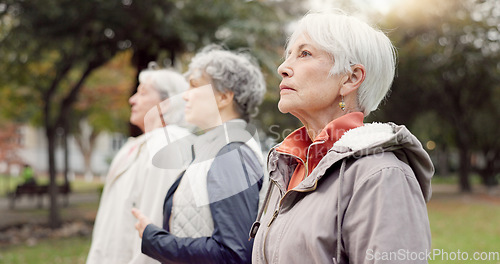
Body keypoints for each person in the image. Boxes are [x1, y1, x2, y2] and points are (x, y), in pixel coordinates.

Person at [250, 10, 434, 264]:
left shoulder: (383, 175)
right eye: (288, 55)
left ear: (351, 78)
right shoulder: (285, 167)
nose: (283, 68)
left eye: (305, 53)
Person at [132, 45, 266, 264]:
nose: (185, 96)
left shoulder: (231, 152)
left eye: (194, 86)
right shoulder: (218, 148)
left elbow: (233, 253)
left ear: (223, 97)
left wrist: (154, 239)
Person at [86, 67, 192, 264]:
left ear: (166, 104)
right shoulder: (138, 145)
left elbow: (154, 228)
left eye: (142, 93)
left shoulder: (166, 147)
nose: (132, 100)